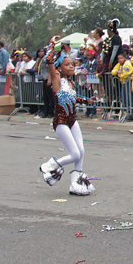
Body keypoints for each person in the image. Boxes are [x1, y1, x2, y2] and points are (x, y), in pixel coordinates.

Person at [38, 36, 96, 196]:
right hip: (61, 121)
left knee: (81, 151)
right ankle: (49, 166)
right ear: (59, 68)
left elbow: (73, 98)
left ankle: (75, 183)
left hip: (72, 120)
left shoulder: (70, 83)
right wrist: (52, 44)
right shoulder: (56, 80)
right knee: (75, 153)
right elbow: (49, 60)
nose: (71, 67)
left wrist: (89, 100)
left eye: (72, 65)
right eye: (67, 65)